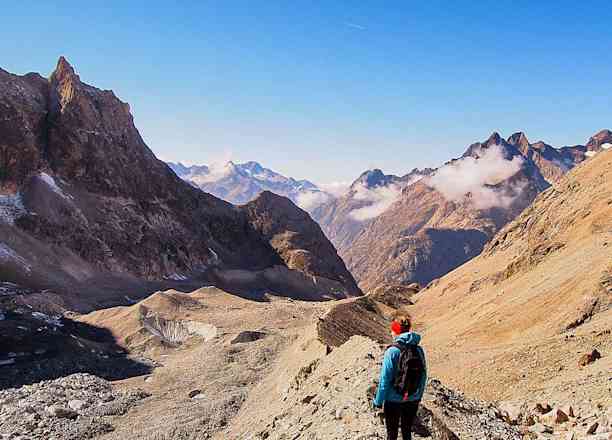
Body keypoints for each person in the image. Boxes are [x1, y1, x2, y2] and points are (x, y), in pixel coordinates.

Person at [373, 314, 427, 440]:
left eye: (392, 329)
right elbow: (423, 375)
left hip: (393, 400)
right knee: (406, 431)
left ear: (396, 331)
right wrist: (418, 396)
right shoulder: (419, 350)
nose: (391, 332)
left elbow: (384, 380)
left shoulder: (392, 351)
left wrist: (378, 402)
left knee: (392, 434)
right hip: (412, 399)